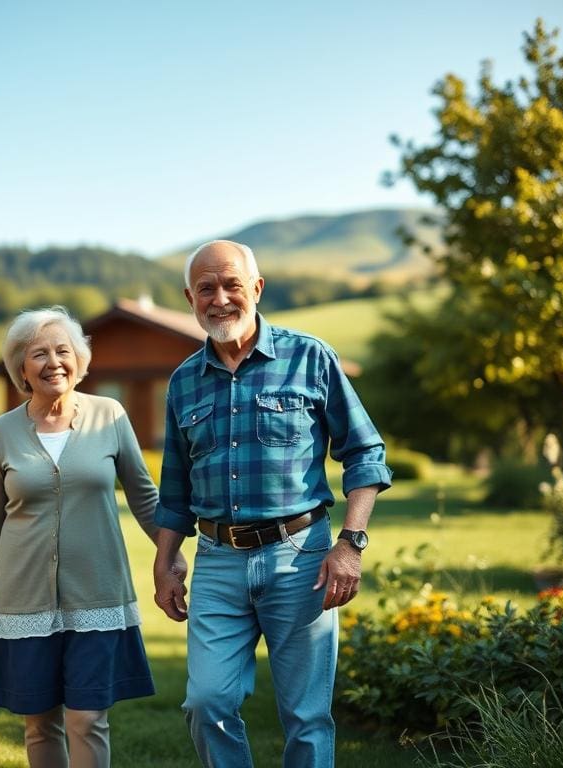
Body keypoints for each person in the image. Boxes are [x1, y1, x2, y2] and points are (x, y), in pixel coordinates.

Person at [152, 241, 392, 768]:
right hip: (217, 563)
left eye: (232, 284)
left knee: (306, 718)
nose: (221, 299)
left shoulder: (311, 357)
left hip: (301, 558)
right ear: (190, 297)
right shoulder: (183, 382)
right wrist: (165, 559)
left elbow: (366, 454)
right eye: (207, 289)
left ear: (256, 289)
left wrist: (350, 546)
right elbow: (175, 488)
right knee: (207, 702)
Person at [0, 306, 186, 768]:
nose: (53, 362)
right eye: (38, 353)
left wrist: (170, 558)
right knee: (39, 723)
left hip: (98, 595)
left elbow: (146, 498)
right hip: (22, 600)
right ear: (20, 367)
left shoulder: (109, 416)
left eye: (63, 350)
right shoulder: (0, 433)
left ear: (80, 360)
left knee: (88, 719)